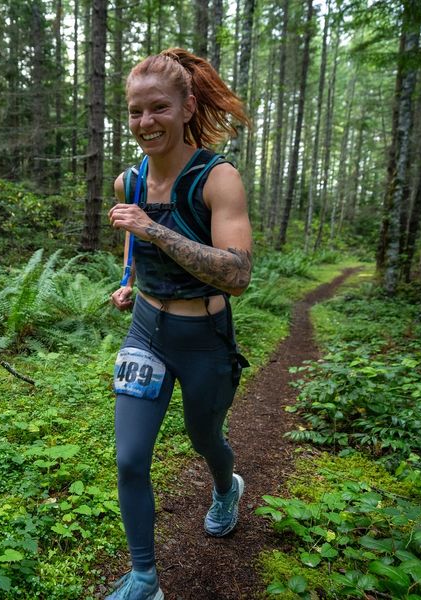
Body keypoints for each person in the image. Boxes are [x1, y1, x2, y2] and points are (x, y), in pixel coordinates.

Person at [107, 48, 252, 600]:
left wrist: (155, 230)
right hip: (146, 331)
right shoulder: (129, 182)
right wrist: (130, 277)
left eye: (158, 108)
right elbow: (132, 236)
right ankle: (145, 579)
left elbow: (237, 274)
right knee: (129, 458)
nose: (145, 122)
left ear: (187, 107)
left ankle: (226, 486)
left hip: (205, 340)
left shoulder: (218, 179)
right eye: (135, 111)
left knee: (204, 437)